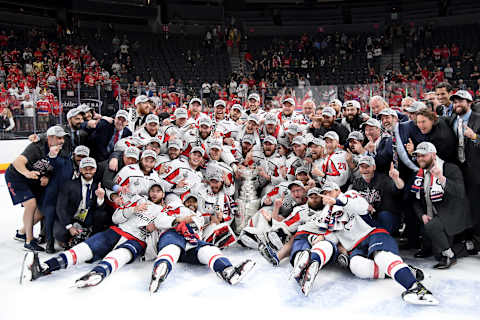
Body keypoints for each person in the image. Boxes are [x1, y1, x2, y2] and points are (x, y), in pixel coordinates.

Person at [20, 182, 165, 288]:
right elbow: (116, 218)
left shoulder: (165, 212)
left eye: (158, 191)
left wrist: (153, 230)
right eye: (152, 190)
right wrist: (133, 210)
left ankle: (98, 273)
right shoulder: (138, 200)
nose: (154, 193)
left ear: (163, 194)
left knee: (120, 254)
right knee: (87, 247)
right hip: (117, 231)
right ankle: (45, 266)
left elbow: (159, 242)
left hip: (137, 240)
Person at [317, 182, 438, 305]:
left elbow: (362, 206)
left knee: (381, 257)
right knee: (357, 267)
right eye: (324, 193)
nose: (327, 195)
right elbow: (332, 237)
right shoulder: (325, 214)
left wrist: (338, 201)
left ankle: (416, 288)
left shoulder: (349, 195)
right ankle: (404, 271)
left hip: (371, 234)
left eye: (329, 191)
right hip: (355, 247)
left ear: (337, 190)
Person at [148, 193, 255, 292]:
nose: (191, 204)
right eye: (189, 201)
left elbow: (215, 216)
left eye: (194, 201)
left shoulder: (199, 216)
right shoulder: (176, 208)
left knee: (209, 249)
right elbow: (159, 221)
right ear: (183, 202)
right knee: (173, 247)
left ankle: (227, 271)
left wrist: (216, 219)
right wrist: (180, 220)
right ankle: (160, 270)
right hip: (173, 234)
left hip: (192, 242)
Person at [411, 141, 471, 269]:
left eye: (424, 155)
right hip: (433, 215)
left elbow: (460, 192)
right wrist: (422, 215)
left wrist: (441, 178)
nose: (420, 158)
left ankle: (452, 254)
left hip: (451, 215)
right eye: (418, 156)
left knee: (433, 231)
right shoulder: (419, 174)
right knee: (435, 248)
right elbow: (415, 200)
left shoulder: (449, 168)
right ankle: (462, 246)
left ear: (433, 155)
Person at [6, 125, 66, 251]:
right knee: (31, 204)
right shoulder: (36, 147)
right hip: (17, 176)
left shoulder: (59, 149)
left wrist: (47, 176)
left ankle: (22, 232)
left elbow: (52, 167)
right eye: (59, 138)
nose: (62, 141)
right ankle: (29, 241)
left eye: (62, 138)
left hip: (34, 179)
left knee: (42, 209)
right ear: (50, 138)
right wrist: (27, 173)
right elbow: (18, 162)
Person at [447, 90, 480, 250]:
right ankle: (464, 237)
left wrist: (474, 137)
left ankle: (477, 240)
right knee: (461, 203)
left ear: (469, 102)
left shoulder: (478, 119)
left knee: (475, 204)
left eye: (460, 101)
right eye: (455, 102)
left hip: (475, 170)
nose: (457, 104)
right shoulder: (452, 119)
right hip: (457, 169)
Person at [53, 157, 110, 249]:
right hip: (71, 217)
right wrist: (70, 227)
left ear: (95, 169)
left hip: (87, 218)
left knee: (102, 215)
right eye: (85, 168)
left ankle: (90, 237)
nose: (88, 171)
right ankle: (68, 239)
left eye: (91, 168)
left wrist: (100, 198)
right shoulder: (69, 185)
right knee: (60, 233)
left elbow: (100, 209)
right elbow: (61, 208)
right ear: (80, 169)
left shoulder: (98, 186)